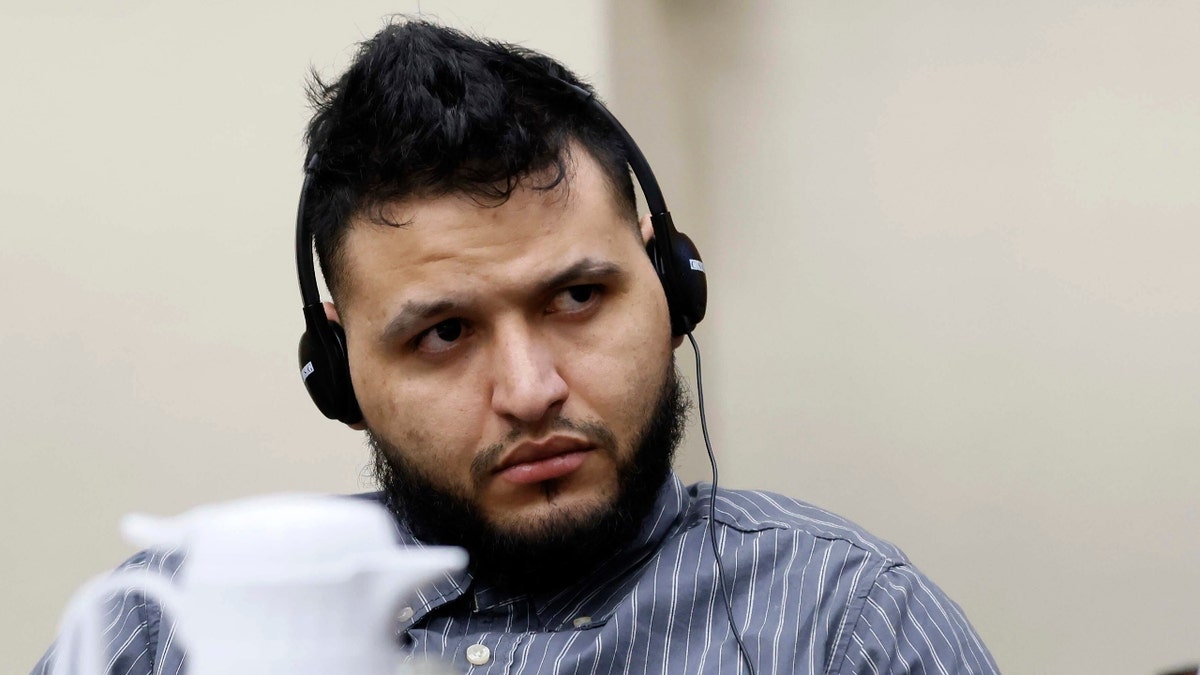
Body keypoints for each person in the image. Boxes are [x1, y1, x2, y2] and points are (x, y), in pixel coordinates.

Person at [34, 19, 998, 675]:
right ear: (337, 372)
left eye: (579, 296)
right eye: (443, 332)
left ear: (671, 285)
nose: (531, 390)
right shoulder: (161, 630)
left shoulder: (853, 624)